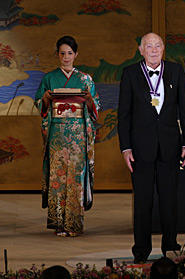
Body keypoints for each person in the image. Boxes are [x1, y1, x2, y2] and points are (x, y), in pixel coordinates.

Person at [118, 33, 185, 263]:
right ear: (140, 49)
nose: (153, 50)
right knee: (142, 201)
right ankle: (140, 251)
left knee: (169, 201)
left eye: (157, 46)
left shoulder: (176, 71)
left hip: (170, 146)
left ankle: (170, 247)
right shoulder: (130, 74)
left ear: (163, 48)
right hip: (140, 149)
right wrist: (126, 148)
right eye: (148, 46)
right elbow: (123, 115)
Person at [35, 35, 100, 237]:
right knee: (58, 177)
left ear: (76, 55)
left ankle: (73, 223)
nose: (66, 57)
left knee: (76, 178)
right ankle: (58, 222)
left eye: (69, 53)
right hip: (57, 132)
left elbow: (96, 107)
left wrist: (89, 100)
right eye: (62, 53)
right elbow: (40, 105)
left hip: (78, 134)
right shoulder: (49, 78)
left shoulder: (85, 79)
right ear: (57, 55)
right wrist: (45, 99)